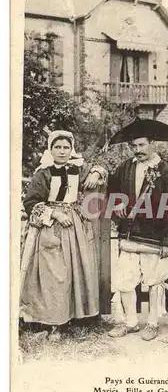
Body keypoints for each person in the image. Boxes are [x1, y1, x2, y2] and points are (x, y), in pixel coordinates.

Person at [20, 130, 107, 339]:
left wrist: (96, 174)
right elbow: (31, 202)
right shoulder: (44, 173)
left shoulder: (77, 169)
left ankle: (74, 317)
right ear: (50, 149)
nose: (62, 151)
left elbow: (100, 170)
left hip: (75, 227)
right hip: (51, 227)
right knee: (54, 273)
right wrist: (56, 214)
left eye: (66, 147)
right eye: (57, 147)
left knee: (75, 270)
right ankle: (52, 321)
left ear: (72, 149)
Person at [107, 117, 168, 341]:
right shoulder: (125, 167)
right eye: (134, 146)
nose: (137, 150)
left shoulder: (166, 172)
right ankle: (130, 322)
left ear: (152, 144)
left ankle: (152, 323)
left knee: (155, 280)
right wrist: (117, 203)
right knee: (124, 280)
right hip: (129, 233)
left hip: (155, 237)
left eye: (142, 145)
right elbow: (111, 190)